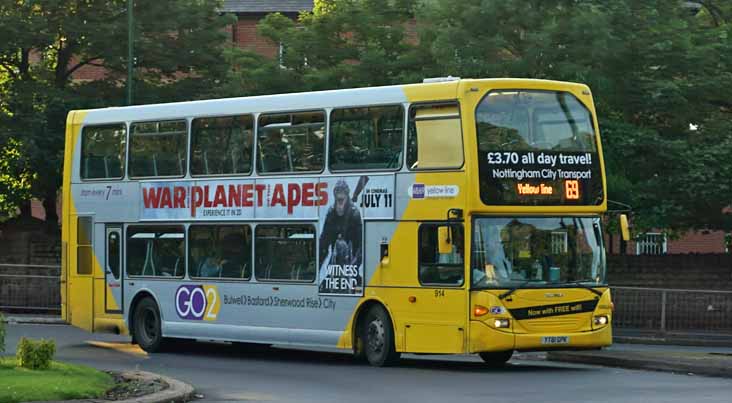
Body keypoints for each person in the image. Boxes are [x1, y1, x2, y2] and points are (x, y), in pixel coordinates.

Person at [319, 180, 363, 269]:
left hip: (351, 261)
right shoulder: (331, 213)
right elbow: (323, 243)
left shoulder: (354, 214)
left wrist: (352, 267)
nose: (340, 204)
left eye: (342, 196)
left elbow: (360, 247)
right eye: (338, 194)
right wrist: (317, 267)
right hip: (335, 261)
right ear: (335, 197)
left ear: (346, 196)